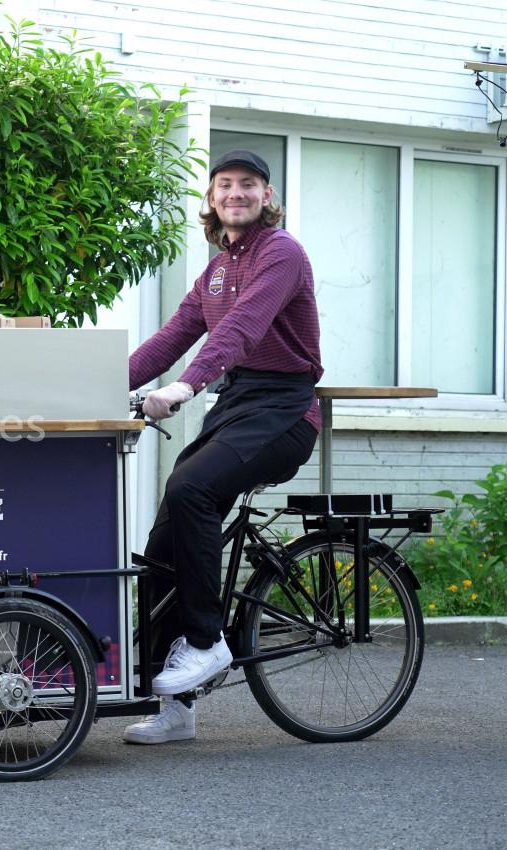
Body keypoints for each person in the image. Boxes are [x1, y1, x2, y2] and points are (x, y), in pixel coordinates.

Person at [121, 150, 323, 745]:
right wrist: (96, 386)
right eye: (225, 184)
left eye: (248, 184)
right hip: (237, 405)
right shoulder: (215, 269)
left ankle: (207, 642)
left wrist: (186, 386)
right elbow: (171, 338)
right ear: (211, 198)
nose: (236, 193)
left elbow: (242, 327)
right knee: (163, 544)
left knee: (192, 489)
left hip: (285, 411)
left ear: (267, 195)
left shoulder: (281, 253)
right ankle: (175, 708)